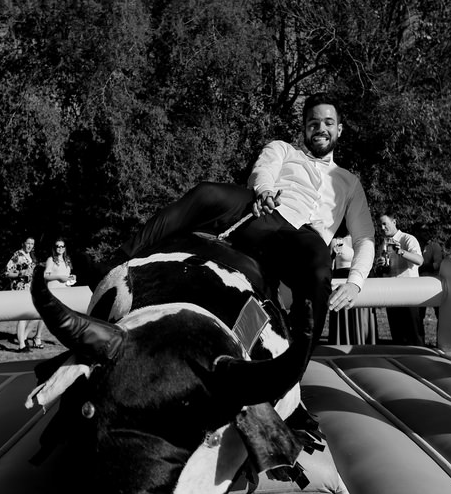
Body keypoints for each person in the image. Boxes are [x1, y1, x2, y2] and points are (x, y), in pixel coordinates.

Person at [115, 93, 374, 353]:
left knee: (319, 276)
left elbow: (364, 237)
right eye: (313, 122)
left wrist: (355, 281)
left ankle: (297, 363)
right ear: (304, 127)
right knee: (207, 193)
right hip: (265, 211)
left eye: (328, 123)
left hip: (306, 238)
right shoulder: (283, 148)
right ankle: (120, 259)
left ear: (339, 129)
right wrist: (265, 192)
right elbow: (263, 171)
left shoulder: (350, 182)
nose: (321, 129)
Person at [376, 213, 424, 345]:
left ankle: (421, 359)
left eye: (385, 223)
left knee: (414, 335)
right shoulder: (383, 244)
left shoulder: (408, 239)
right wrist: (380, 266)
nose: (382, 227)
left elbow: (419, 260)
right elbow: (386, 271)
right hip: (392, 294)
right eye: (380, 225)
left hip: (410, 294)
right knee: (397, 336)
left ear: (394, 222)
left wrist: (401, 252)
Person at [6, 237, 42, 350]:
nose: (30, 246)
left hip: (31, 289)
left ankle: (24, 337)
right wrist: (20, 273)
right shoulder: (18, 255)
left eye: (32, 244)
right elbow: (7, 273)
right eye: (28, 243)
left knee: (37, 315)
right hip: (20, 289)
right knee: (23, 317)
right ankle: (22, 345)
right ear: (23, 243)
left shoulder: (32, 256)